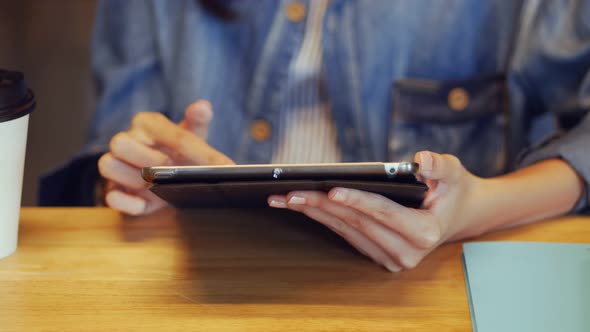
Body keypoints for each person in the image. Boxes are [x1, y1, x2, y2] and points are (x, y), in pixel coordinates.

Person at [40, 0, 589, 272]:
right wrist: (140, 181)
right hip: (216, 281)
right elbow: (109, 152)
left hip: (444, 287)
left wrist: (483, 204)